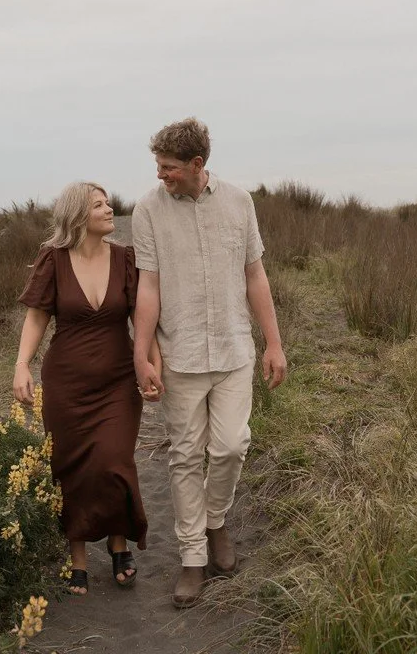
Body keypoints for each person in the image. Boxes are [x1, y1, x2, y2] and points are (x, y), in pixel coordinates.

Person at [131, 118, 288, 608]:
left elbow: (255, 276)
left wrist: (274, 343)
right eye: (158, 166)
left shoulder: (240, 203)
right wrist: (142, 354)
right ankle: (193, 556)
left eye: (169, 167)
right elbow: (148, 287)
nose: (161, 175)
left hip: (234, 349)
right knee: (184, 454)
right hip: (179, 354)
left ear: (198, 165)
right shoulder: (147, 211)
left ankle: (216, 519)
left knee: (230, 446)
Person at [13, 181, 152, 594]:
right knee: (70, 468)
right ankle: (77, 559)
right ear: (78, 216)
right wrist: (22, 365)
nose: (110, 209)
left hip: (117, 380)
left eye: (109, 202)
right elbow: (37, 318)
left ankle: (118, 541)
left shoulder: (126, 259)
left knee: (114, 460)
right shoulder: (52, 260)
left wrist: (150, 362)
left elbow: (142, 317)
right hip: (66, 382)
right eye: (99, 204)